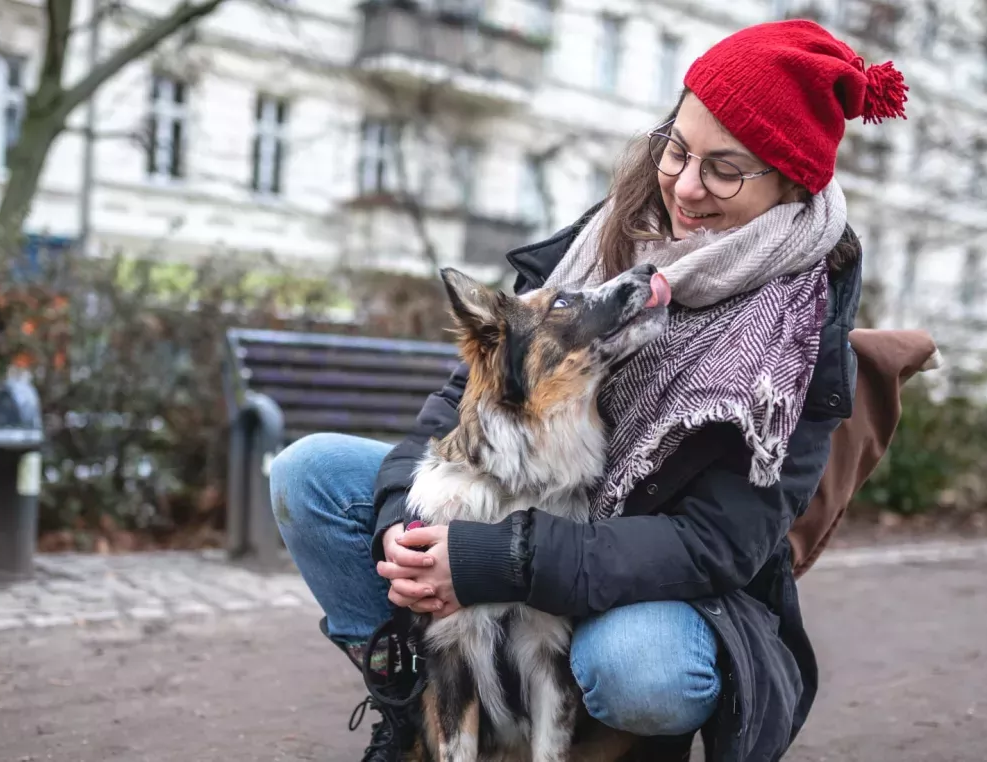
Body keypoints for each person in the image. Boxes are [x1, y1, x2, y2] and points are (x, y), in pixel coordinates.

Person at [269, 19, 908, 762]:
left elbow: (715, 546)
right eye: (677, 149)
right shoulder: (605, 238)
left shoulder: (798, 326)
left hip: (667, 579)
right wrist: (400, 533)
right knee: (311, 475)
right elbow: (461, 401)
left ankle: (599, 742)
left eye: (725, 170)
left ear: (791, 182)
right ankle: (412, 700)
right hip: (531, 504)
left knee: (639, 672)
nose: (686, 187)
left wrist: (494, 559)